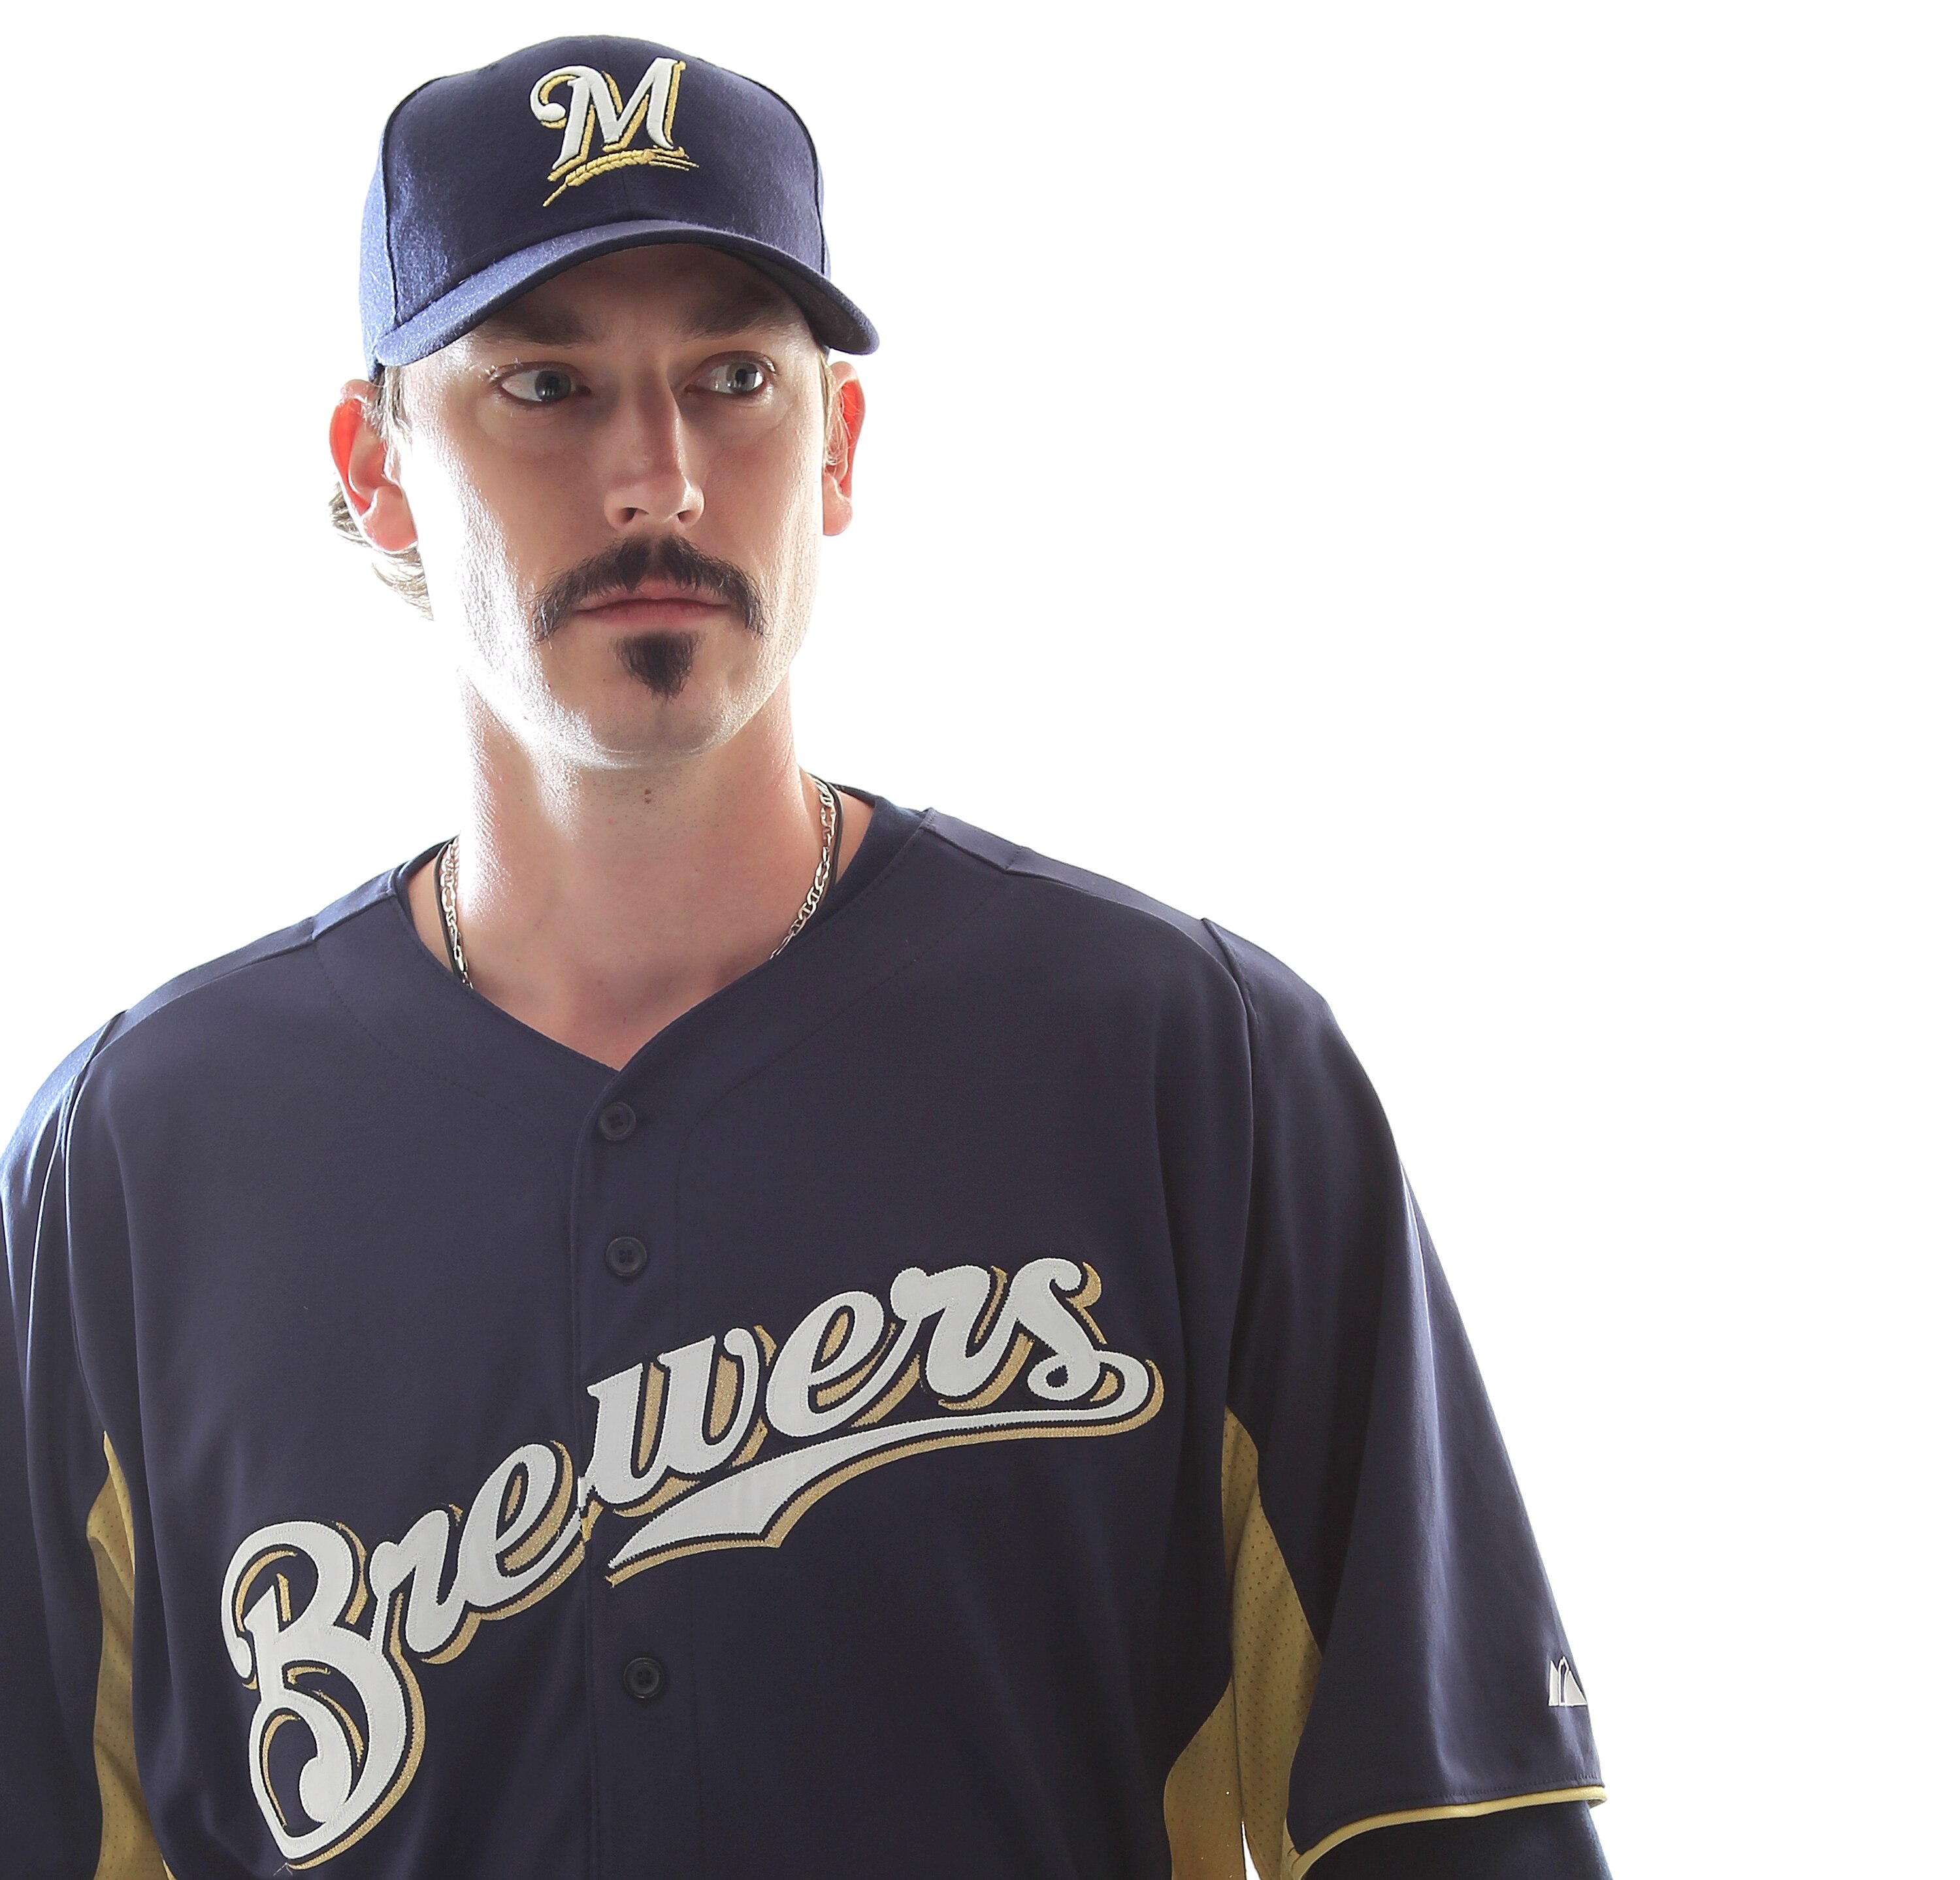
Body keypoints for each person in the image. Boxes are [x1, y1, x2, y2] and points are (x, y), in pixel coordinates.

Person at [1, 33, 1610, 1880]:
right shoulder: (141, 1160)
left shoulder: (1190, 1068)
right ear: (378, 471)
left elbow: (1454, 1833)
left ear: (836, 444)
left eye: (734, 379)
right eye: (546, 384)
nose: (657, 480)